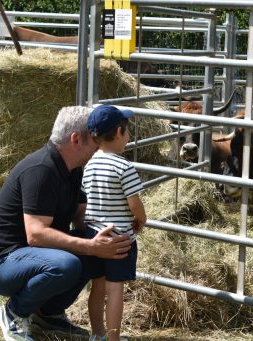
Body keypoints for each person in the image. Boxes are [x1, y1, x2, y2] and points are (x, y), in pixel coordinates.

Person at [0, 106, 134, 341]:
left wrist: (110, 231)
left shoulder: (74, 170)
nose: (100, 144)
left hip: (35, 255)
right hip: (3, 262)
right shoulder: (42, 170)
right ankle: (14, 313)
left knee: (90, 254)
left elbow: (82, 216)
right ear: (75, 139)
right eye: (94, 139)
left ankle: (48, 315)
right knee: (67, 264)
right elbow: (36, 235)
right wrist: (90, 246)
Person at [83, 105, 147, 341]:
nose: (129, 136)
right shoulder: (124, 167)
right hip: (119, 239)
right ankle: (113, 339)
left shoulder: (89, 165)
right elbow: (134, 203)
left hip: (94, 236)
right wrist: (142, 219)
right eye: (128, 131)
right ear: (120, 132)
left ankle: (97, 333)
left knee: (97, 286)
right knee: (115, 289)